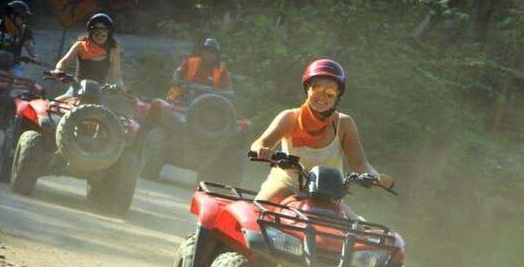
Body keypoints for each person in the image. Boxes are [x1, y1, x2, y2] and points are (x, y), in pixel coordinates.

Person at [250, 59, 394, 209]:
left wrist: (375, 177)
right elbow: (259, 144)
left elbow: (360, 164)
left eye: (330, 93)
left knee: (358, 228)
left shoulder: (344, 124)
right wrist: (262, 150)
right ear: (307, 89)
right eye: (317, 89)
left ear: (338, 95)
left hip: (328, 195)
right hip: (286, 186)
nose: (322, 97)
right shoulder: (289, 118)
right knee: (258, 215)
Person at [52, 13, 126, 96]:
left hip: (99, 93)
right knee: (52, 105)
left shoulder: (114, 50)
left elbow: (117, 75)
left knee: (102, 109)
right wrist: (58, 69)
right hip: (76, 89)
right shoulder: (80, 45)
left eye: (104, 31)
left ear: (109, 33)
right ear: (90, 32)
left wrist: (121, 86)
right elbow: (64, 62)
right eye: (96, 31)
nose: (100, 35)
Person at [166, 37, 232, 101]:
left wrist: (225, 93)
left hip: (208, 103)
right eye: (207, 52)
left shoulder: (221, 69)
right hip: (183, 99)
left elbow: (228, 89)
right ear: (202, 52)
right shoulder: (189, 62)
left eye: (213, 53)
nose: (210, 55)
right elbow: (177, 74)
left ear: (217, 55)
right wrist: (178, 82)